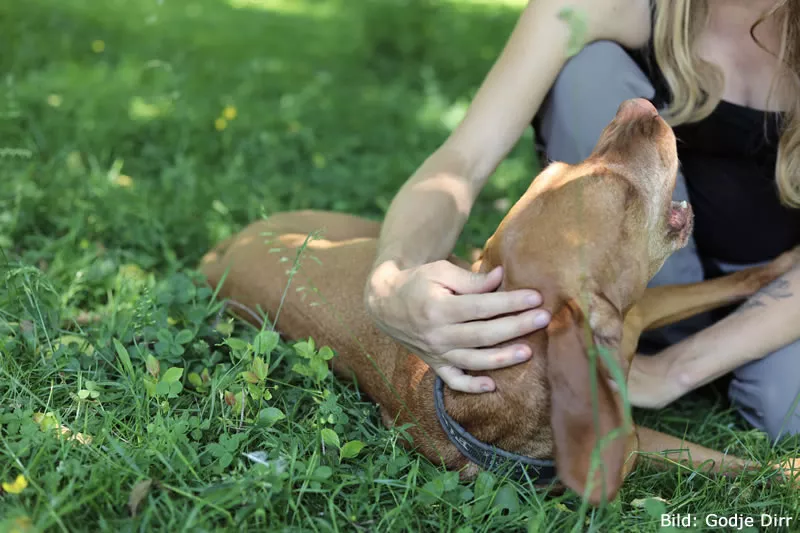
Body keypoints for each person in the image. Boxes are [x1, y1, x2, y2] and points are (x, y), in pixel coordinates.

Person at [363, 0, 800, 442]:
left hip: (785, 291)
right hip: (626, 279)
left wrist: (674, 371)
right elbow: (463, 160)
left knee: (787, 409)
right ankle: (615, 329)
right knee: (586, 68)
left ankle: (690, 353)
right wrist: (391, 281)